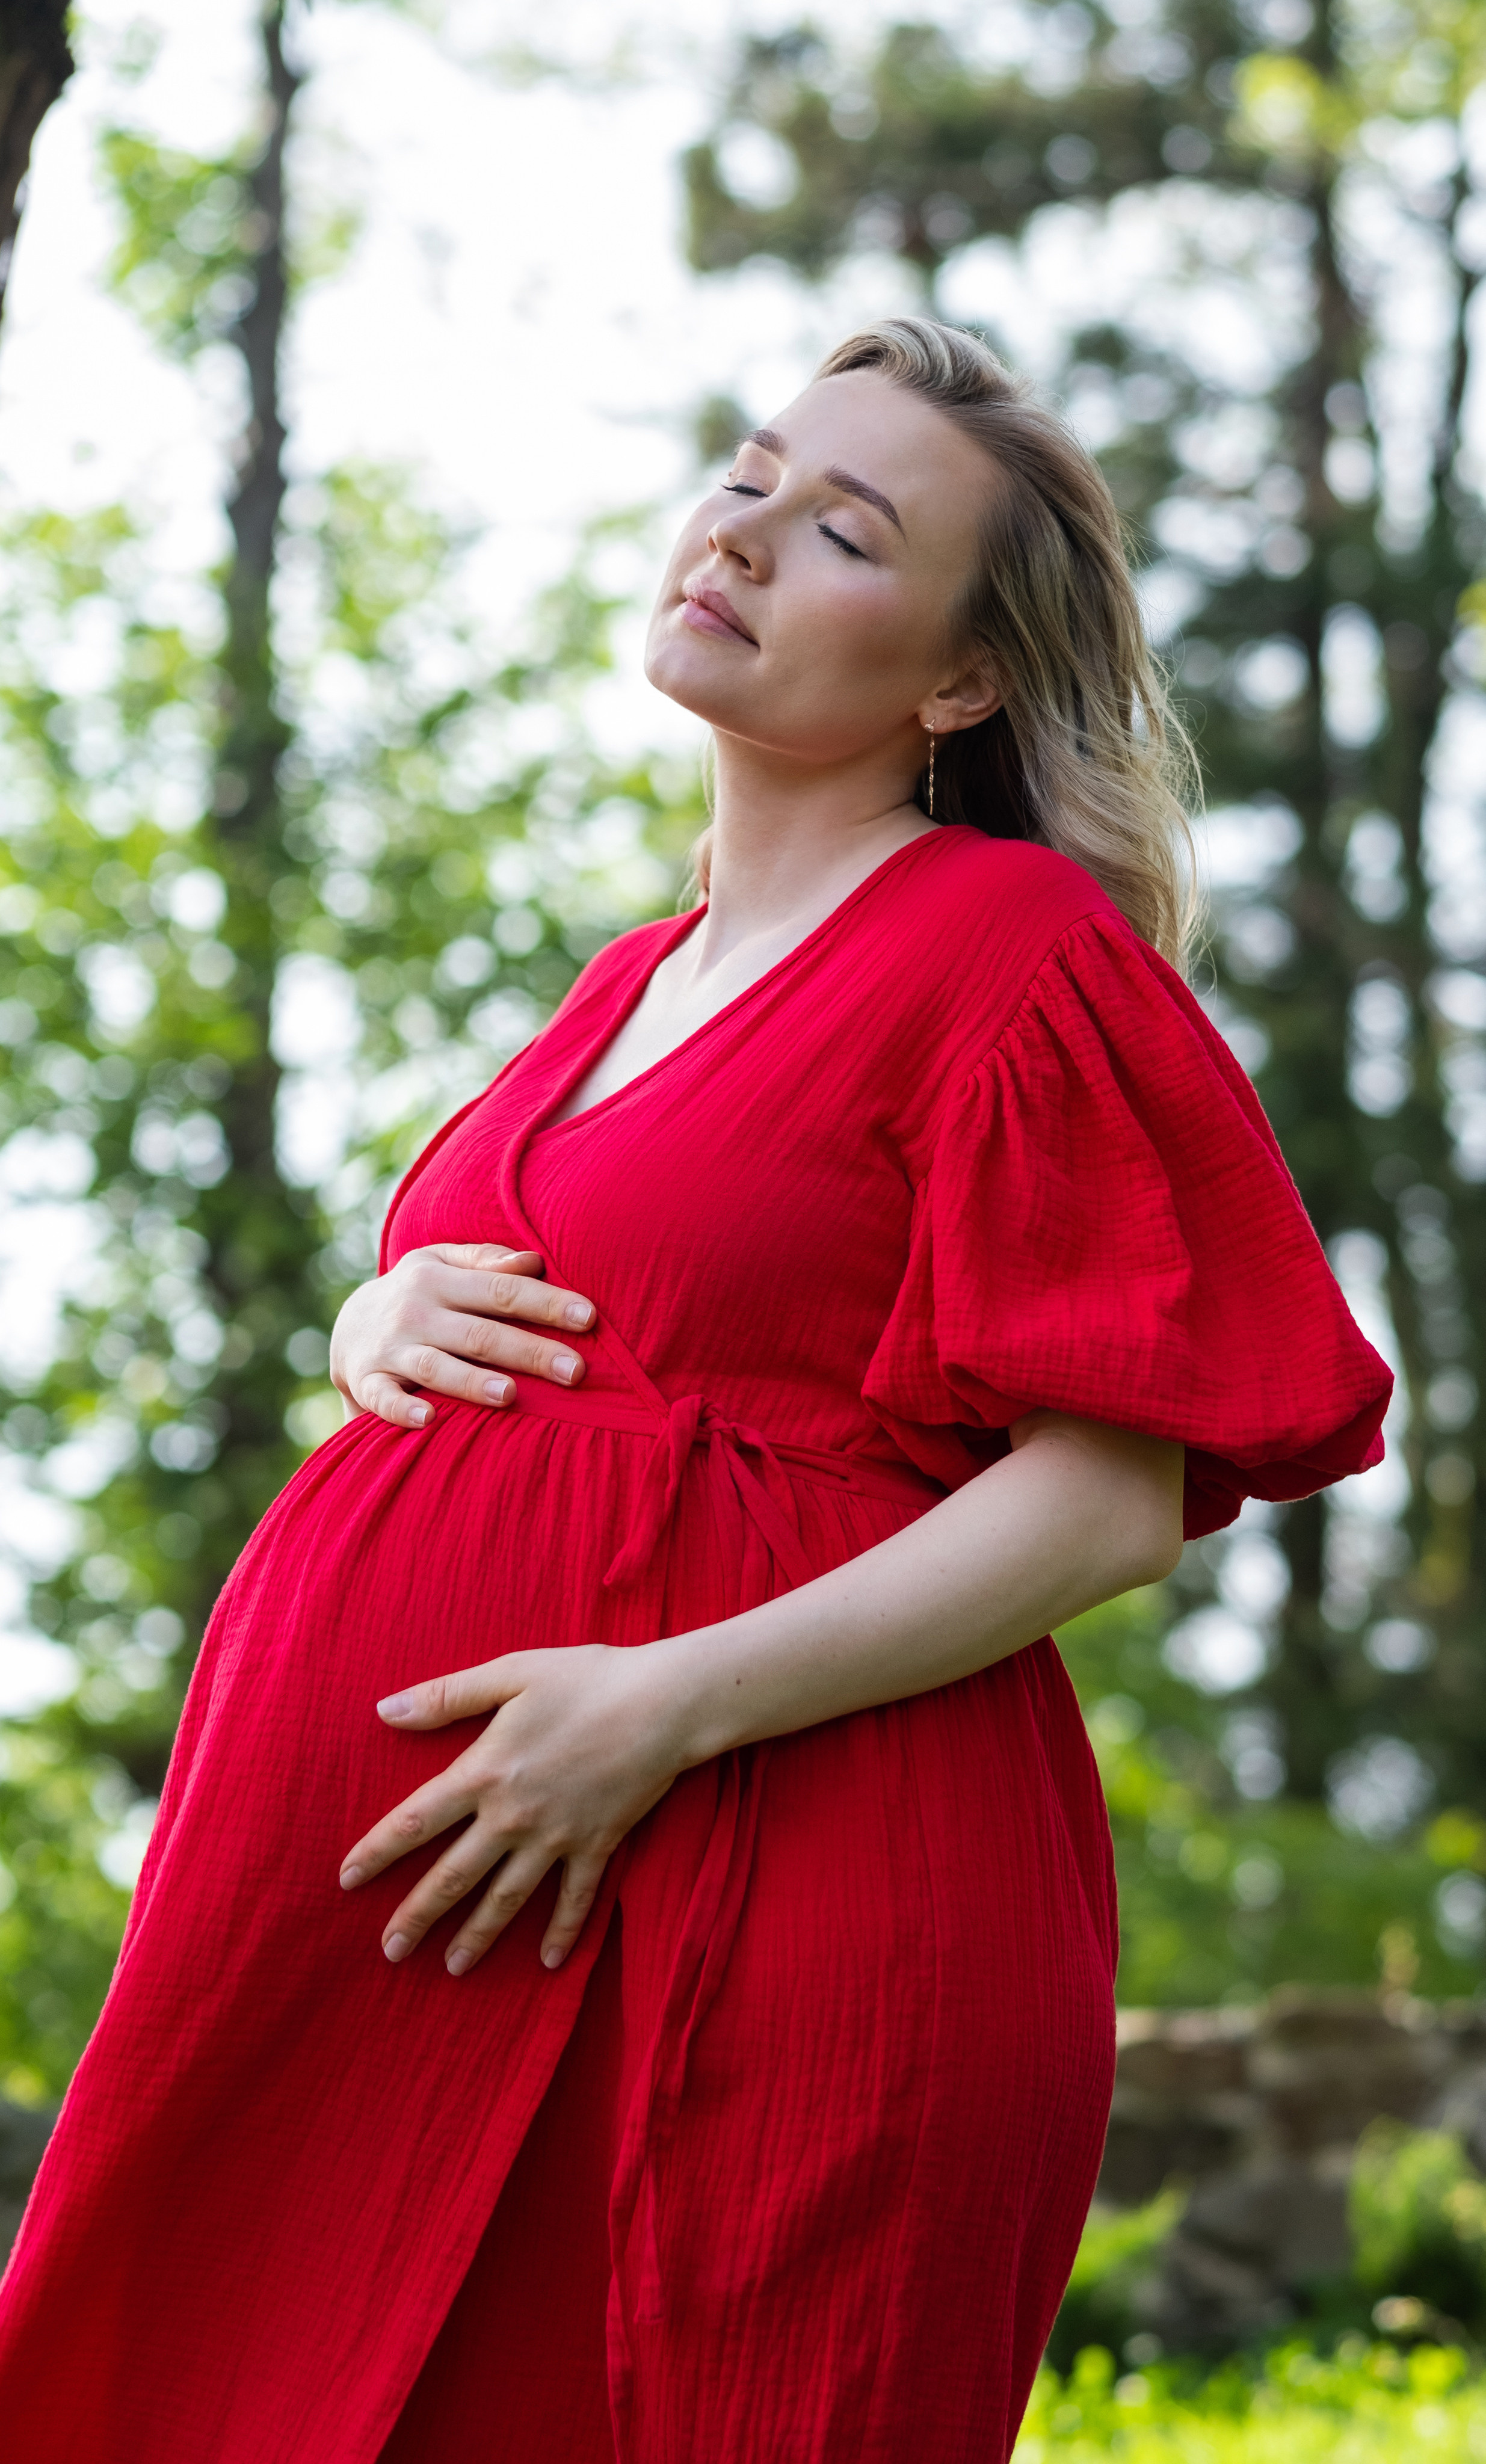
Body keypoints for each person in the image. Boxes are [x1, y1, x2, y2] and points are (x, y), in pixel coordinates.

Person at [0, 319, 1389, 2463]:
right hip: (430, 1925)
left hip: (773, 1881)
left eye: (841, 526)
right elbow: (600, 1313)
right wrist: (379, 1326)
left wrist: (662, 1702)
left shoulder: (1006, 950)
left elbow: (1110, 1495)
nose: (743, 528)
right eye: (747, 470)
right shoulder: (625, 981)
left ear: (959, 683)